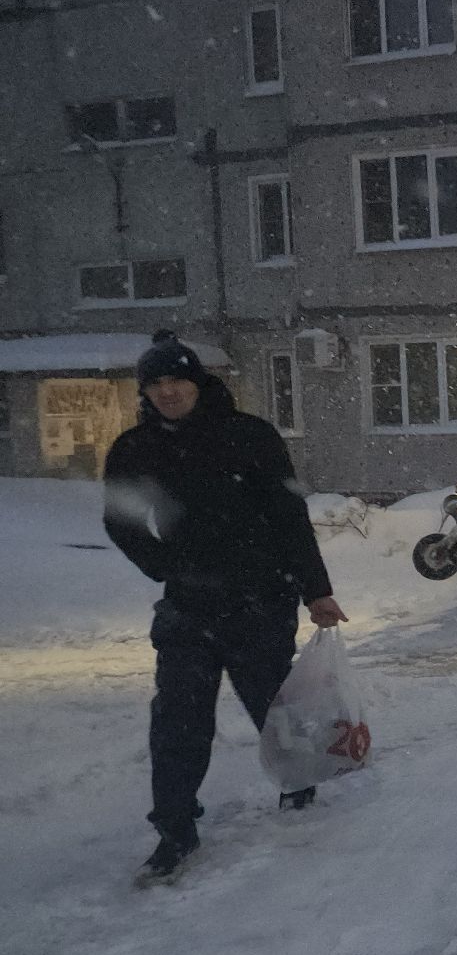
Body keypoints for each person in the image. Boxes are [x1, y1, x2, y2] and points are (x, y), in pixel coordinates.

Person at [103, 331, 348, 886]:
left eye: (177, 380)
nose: (168, 392)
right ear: (146, 391)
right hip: (188, 607)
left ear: (198, 382)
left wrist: (316, 591)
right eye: (157, 383)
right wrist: (166, 568)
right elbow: (119, 521)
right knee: (177, 720)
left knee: (270, 704)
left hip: (260, 599)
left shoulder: (250, 437)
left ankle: (297, 784)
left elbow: (289, 518)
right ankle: (174, 830)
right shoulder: (136, 448)